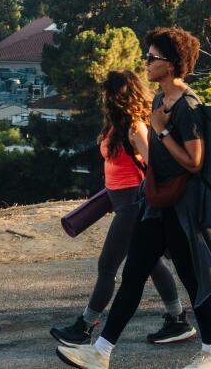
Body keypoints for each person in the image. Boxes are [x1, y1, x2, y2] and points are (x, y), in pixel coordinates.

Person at [57, 27, 211, 369]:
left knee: (195, 281)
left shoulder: (188, 106)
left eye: (152, 57)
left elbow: (194, 162)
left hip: (181, 208)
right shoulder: (158, 101)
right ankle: (100, 352)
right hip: (156, 206)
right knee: (134, 274)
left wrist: (162, 130)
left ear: (171, 63)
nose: (146, 63)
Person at [51, 69, 196, 347]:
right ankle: (178, 320)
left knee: (107, 266)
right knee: (151, 262)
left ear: (117, 94)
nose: (102, 97)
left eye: (106, 92)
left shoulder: (134, 126)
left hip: (133, 203)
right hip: (120, 200)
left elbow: (158, 162)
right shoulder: (115, 125)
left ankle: (84, 327)